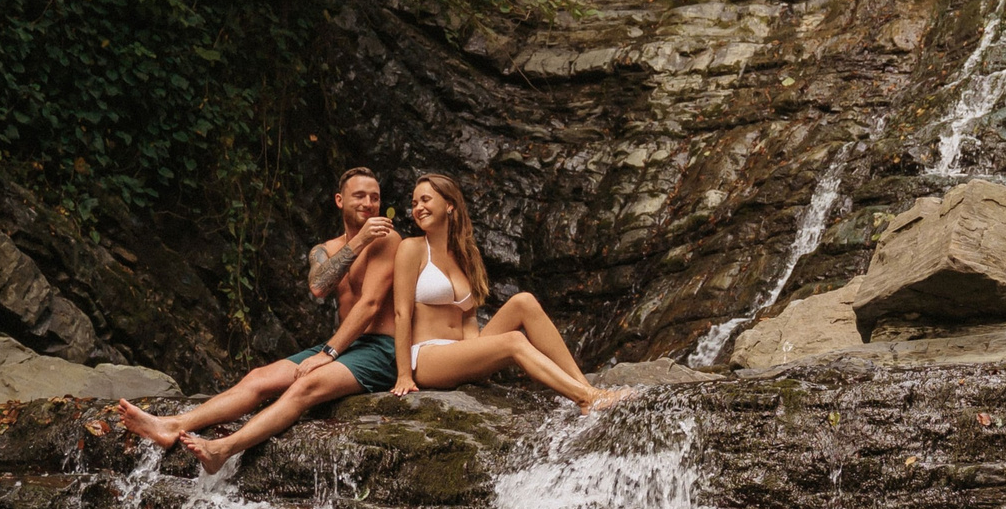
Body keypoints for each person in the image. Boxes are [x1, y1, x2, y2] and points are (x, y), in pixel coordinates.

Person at [115, 167, 399, 473]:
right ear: (340, 200)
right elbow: (318, 287)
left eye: (374, 197)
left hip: (380, 349)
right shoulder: (325, 249)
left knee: (305, 384)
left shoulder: (387, 239)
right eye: (360, 196)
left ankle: (222, 449)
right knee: (257, 378)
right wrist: (358, 241)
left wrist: (327, 353)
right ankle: (173, 425)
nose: (368, 203)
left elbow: (369, 305)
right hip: (346, 346)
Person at [391, 173, 627, 412]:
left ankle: (585, 387)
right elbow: (401, 313)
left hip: (458, 353)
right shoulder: (411, 249)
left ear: (449, 204)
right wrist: (404, 375)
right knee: (514, 340)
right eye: (414, 203)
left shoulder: (465, 255)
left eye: (425, 200)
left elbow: (468, 317)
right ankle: (586, 398)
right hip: (427, 357)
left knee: (524, 301)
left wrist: (477, 355)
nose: (418, 208)